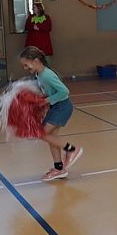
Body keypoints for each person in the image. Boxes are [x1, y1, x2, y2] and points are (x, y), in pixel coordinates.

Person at [19, 46, 83, 182]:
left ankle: (71, 149)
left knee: (42, 133)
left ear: (36, 61)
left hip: (62, 107)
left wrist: (46, 101)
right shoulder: (39, 75)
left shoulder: (47, 75)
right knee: (51, 137)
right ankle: (59, 169)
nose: (25, 68)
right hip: (55, 107)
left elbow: (64, 92)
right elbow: (50, 92)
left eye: (26, 65)